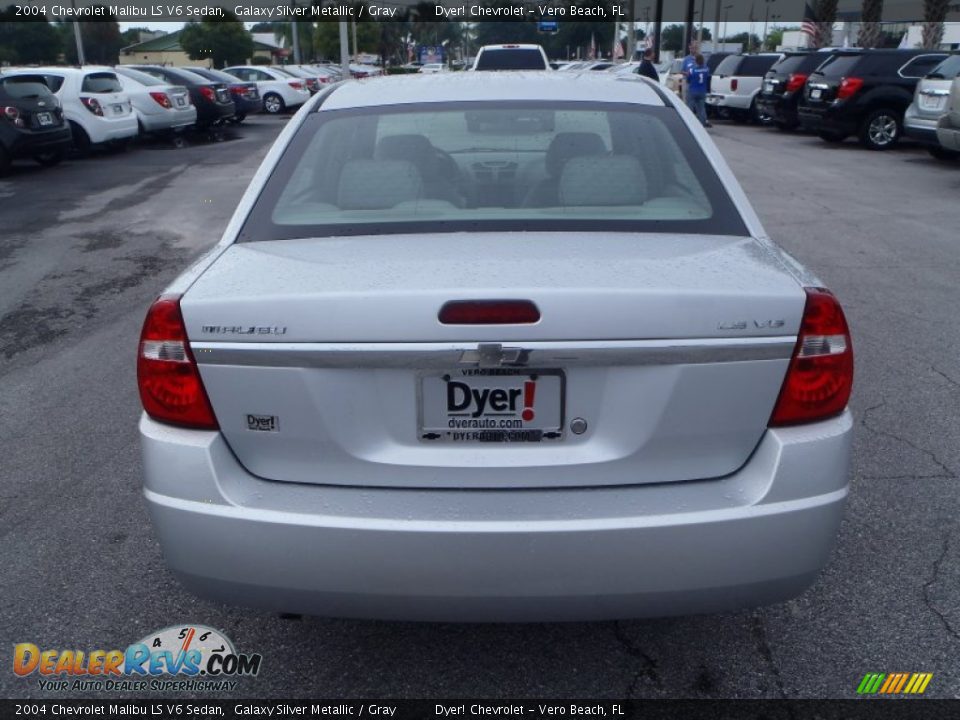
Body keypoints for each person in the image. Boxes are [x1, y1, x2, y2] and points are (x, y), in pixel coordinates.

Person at [685, 53, 711, 128]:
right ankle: (702, 124)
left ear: (696, 61)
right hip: (702, 91)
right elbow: (708, 78)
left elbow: (688, 80)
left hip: (693, 90)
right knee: (701, 109)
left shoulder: (692, 70)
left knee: (690, 107)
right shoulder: (706, 69)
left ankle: (688, 123)